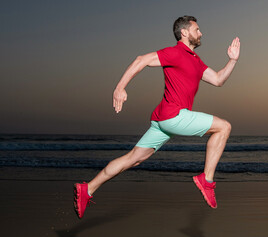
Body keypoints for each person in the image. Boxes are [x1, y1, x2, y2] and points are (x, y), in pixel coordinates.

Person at [74, 15, 240, 219]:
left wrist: (232, 60)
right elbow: (141, 60)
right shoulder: (175, 53)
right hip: (174, 116)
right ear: (184, 32)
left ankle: (87, 189)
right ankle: (206, 180)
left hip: (163, 120)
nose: (201, 33)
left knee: (132, 159)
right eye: (197, 29)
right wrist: (119, 88)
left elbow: (218, 80)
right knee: (224, 127)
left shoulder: (196, 61)